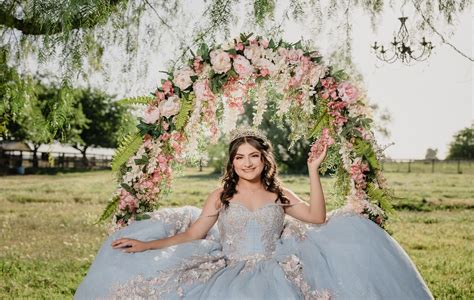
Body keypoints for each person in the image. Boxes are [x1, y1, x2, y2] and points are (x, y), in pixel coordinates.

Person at [74, 129, 433, 299]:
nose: (246, 163)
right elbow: (193, 234)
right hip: (229, 270)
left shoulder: (279, 194)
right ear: (232, 163)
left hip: (274, 268)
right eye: (239, 157)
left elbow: (319, 218)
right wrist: (147, 245)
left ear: (265, 160)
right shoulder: (222, 195)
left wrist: (313, 171)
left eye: (253, 156)